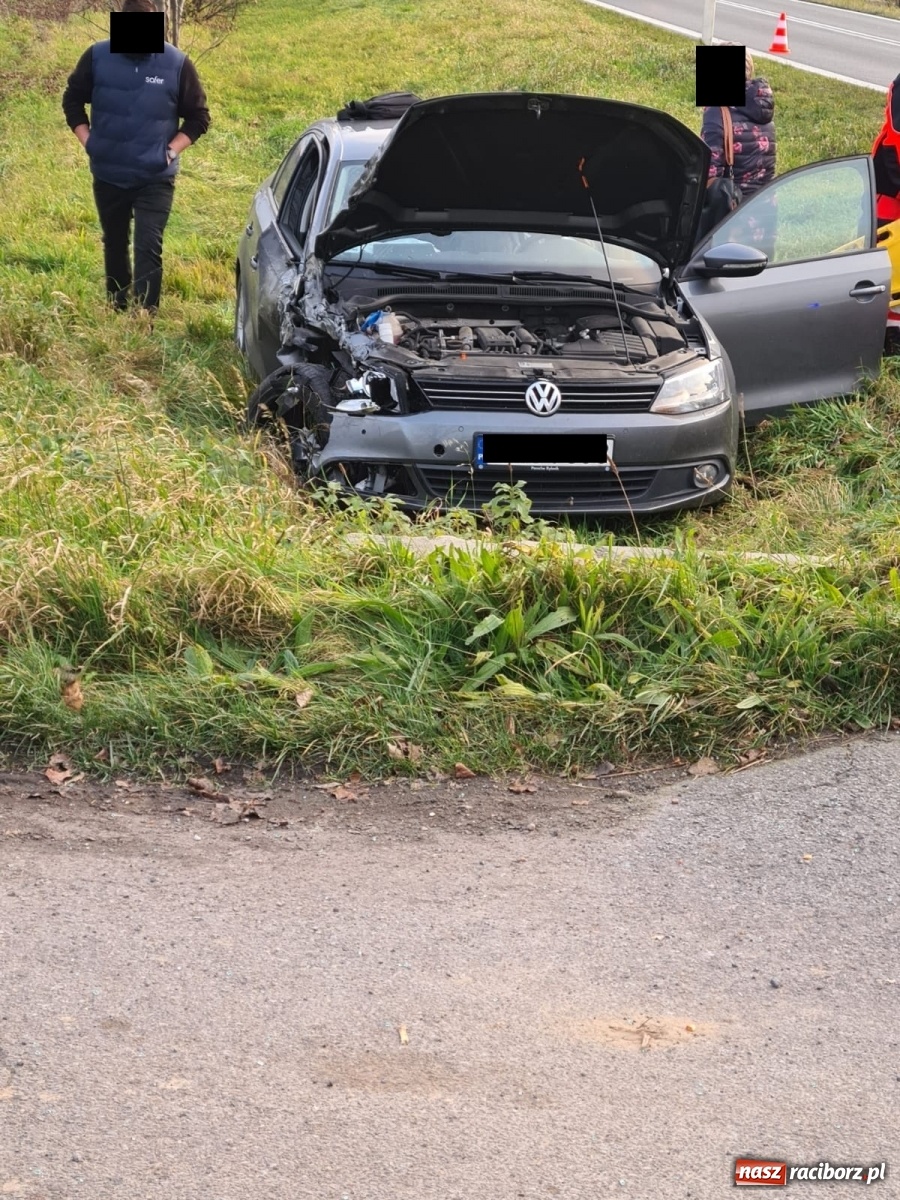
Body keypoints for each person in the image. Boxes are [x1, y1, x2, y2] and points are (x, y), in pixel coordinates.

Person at [62, 0, 211, 317]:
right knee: (114, 242)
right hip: (108, 172)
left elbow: (198, 118)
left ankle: (145, 317)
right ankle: (116, 306)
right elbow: (72, 99)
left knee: (147, 246)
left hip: (155, 177)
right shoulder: (96, 57)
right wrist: (90, 142)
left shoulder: (177, 64)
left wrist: (170, 151)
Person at [700, 49, 776, 201]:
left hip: (733, 212)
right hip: (765, 205)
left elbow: (709, 173)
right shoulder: (762, 109)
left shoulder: (716, 112)